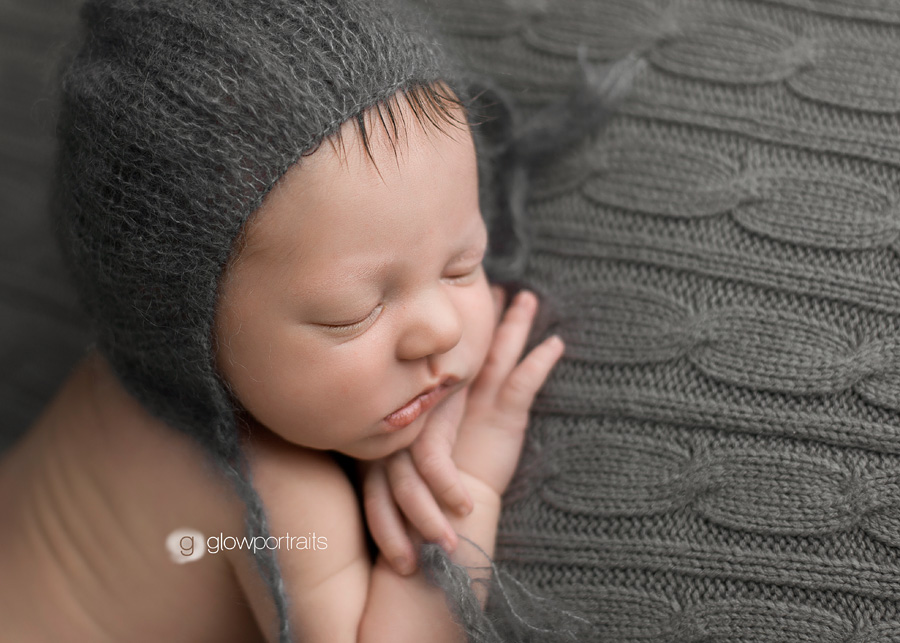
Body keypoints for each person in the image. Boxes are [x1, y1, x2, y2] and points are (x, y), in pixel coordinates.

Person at [0, 0, 564, 640]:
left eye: (462, 264)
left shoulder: (132, 368)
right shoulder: (272, 490)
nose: (441, 330)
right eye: (354, 314)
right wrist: (470, 486)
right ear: (196, 335)